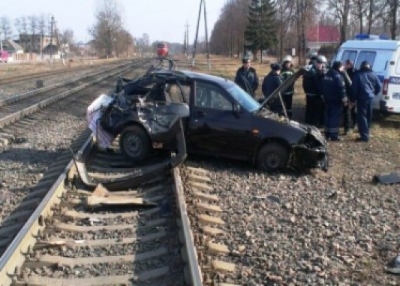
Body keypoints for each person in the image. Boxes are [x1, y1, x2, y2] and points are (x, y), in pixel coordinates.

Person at [350, 61, 382, 142]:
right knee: (368, 116)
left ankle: (364, 136)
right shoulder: (373, 74)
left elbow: (354, 89)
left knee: (362, 117)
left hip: (361, 98)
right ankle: (366, 132)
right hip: (370, 98)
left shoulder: (358, 75)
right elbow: (379, 86)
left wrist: (352, 99)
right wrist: (373, 93)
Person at [322, 61, 348, 141]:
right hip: (336, 100)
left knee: (328, 116)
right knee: (334, 117)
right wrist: (344, 100)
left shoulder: (326, 75)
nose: (343, 68)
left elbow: (322, 87)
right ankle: (334, 135)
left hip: (327, 99)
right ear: (339, 67)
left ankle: (327, 133)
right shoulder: (338, 76)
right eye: (342, 67)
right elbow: (342, 89)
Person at [302, 55, 326, 127]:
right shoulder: (314, 72)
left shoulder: (308, 70)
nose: (322, 66)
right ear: (317, 63)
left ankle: (308, 122)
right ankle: (314, 124)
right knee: (316, 110)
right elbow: (317, 84)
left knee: (309, 109)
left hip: (309, 93)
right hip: (315, 94)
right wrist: (321, 94)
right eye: (321, 64)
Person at [342, 59, 357, 133]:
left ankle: (352, 124)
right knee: (349, 110)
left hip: (350, 93)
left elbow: (350, 84)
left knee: (350, 110)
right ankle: (352, 124)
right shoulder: (353, 71)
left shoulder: (349, 72)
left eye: (346, 64)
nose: (345, 65)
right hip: (350, 93)